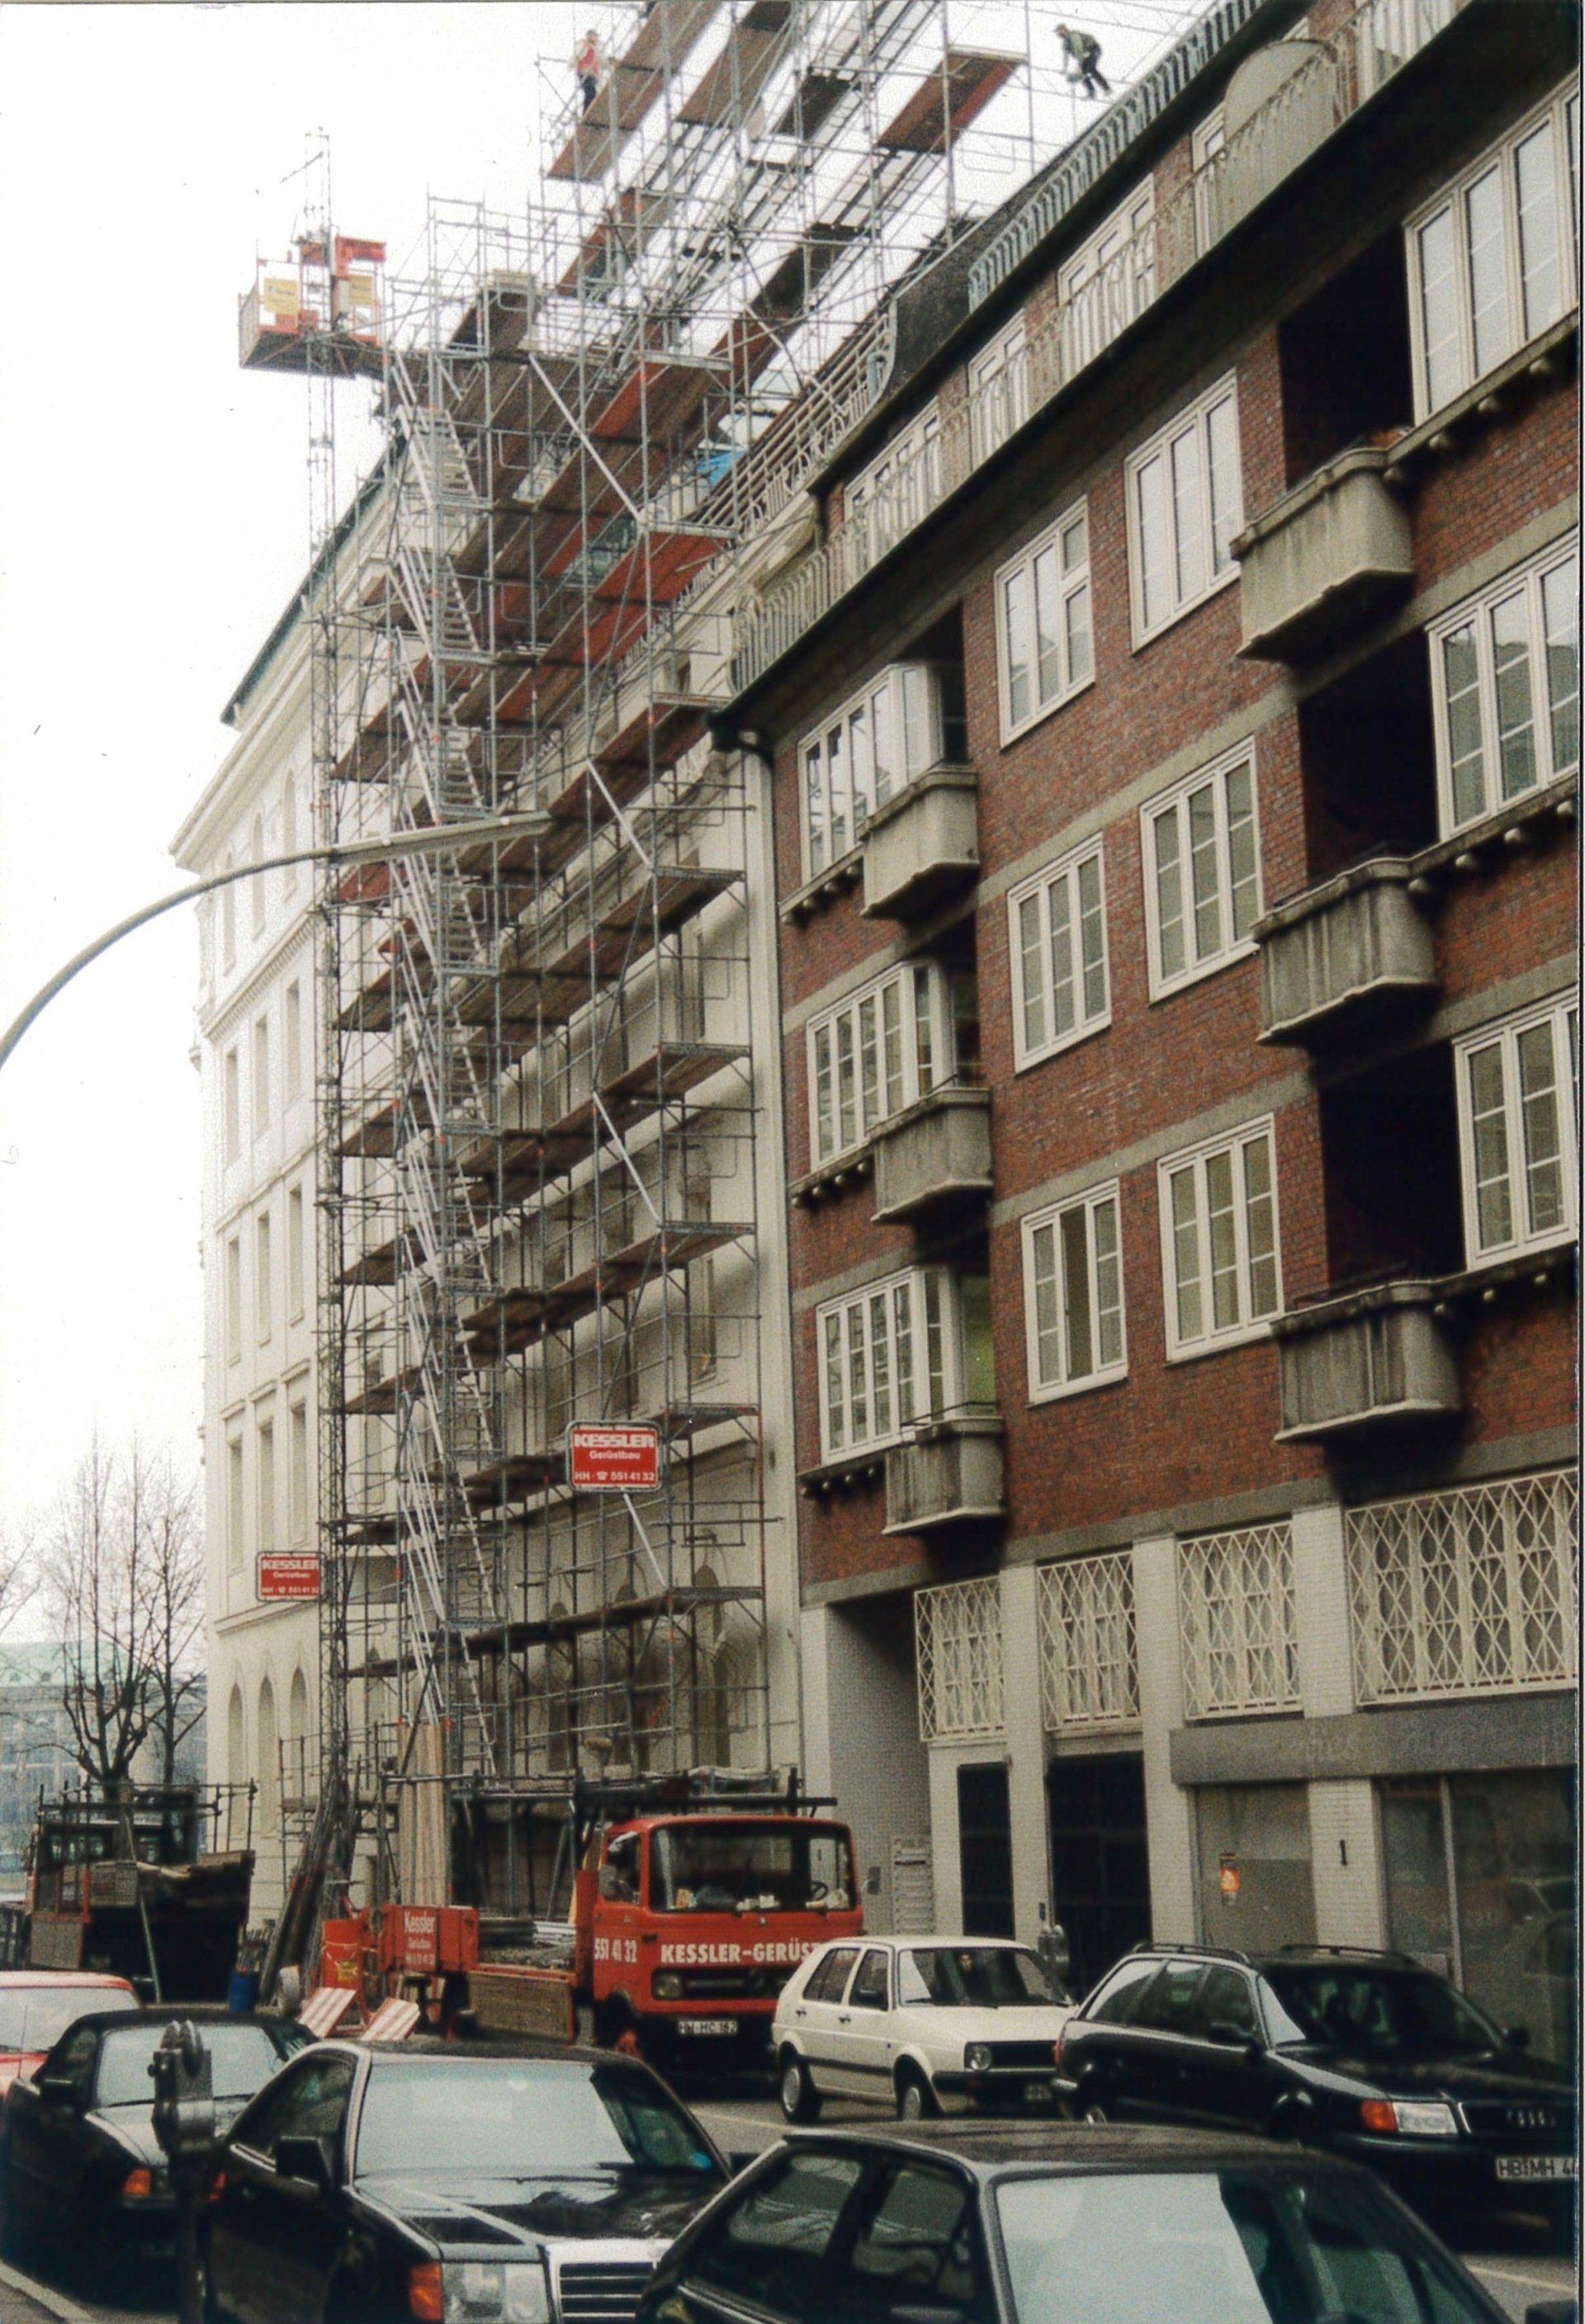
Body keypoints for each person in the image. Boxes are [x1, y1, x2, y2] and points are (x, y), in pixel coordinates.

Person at [1057, 22, 1111, 98]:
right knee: (1088, 71)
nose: (1059, 33)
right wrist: (1065, 68)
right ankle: (1101, 90)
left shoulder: (1073, 36)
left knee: (1085, 71)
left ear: (1064, 29)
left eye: (1060, 31)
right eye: (1059, 31)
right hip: (1086, 55)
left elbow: (1079, 48)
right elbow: (1066, 56)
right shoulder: (1065, 43)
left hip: (1093, 50)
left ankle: (1098, 91)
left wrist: (1081, 62)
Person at [575, 27, 603, 113]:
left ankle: (588, 111)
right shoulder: (584, 44)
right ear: (590, 37)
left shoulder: (594, 49)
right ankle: (586, 112)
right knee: (590, 93)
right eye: (595, 37)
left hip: (592, 75)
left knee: (592, 93)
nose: (597, 39)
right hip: (585, 73)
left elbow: (599, 62)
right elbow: (578, 55)